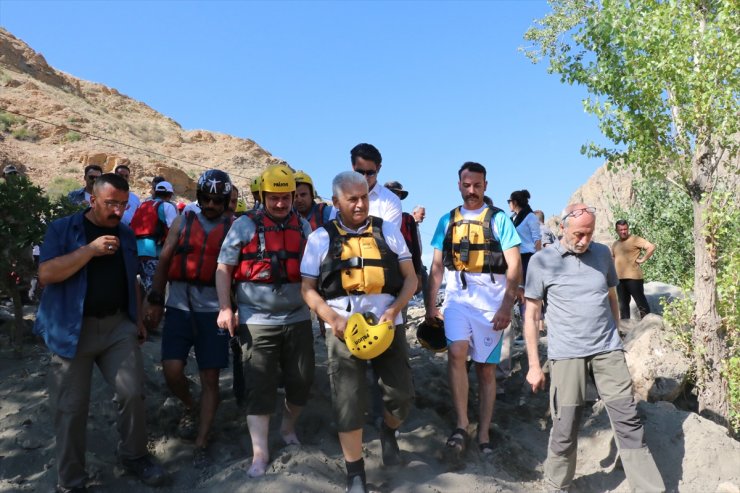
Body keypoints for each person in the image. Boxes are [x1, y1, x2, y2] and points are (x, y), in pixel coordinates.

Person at [34, 173, 167, 492]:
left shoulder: (125, 232)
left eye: (123, 204)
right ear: (91, 200)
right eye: (111, 204)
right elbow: (46, 274)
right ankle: (71, 481)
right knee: (70, 408)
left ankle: (134, 455)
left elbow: (132, 276)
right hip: (71, 329)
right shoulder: (63, 229)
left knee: (133, 392)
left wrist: (135, 318)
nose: (119, 211)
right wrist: (90, 250)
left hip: (116, 326)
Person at [524, 204, 665, 492]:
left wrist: (615, 335)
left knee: (627, 418)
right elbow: (531, 315)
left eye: (589, 233)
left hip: (607, 350)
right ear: (563, 228)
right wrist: (534, 366)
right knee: (565, 423)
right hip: (566, 354)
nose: (584, 240)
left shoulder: (602, 253)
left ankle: (649, 487)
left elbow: (612, 296)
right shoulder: (541, 261)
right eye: (578, 233)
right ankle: (556, 484)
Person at [301, 171, 417, 493]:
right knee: (348, 401)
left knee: (401, 396)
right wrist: (330, 318)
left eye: (364, 196)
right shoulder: (320, 239)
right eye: (352, 198)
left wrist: (394, 310)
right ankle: (355, 473)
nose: (360, 204)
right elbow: (308, 289)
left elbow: (410, 278)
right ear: (336, 201)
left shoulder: (389, 231)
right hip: (342, 331)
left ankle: (389, 431)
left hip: (386, 325)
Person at [215, 164, 314, 478]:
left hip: (298, 317)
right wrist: (225, 308)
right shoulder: (244, 225)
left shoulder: (305, 227)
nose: (281, 204)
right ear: (263, 196)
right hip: (256, 319)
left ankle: (287, 428)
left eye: (285, 197)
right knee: (260, 386)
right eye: (274, 198)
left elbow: (316, 273)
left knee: (301, 379)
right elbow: (223, 268)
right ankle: (260, 453)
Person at [425, 162, 521, 460]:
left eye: (477, 185)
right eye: (466, 185)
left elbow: (515, 265)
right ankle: (462, 424)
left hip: (491, 306)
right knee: (456, 354)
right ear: (459, 185)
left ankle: (484, 432)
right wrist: (430, 304)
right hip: (457, 301)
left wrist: (507, 304)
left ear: (485, 186)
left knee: (486, 369)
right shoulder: (446, 221)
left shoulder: (500, 220)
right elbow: (437, 266)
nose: (471, 191)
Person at [142, 170, 234, 468]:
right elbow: (166, 258)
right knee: (171, 369)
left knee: (210, 377)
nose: (210, 204)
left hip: (212, 313)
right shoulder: (185, 220)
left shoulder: (234, 228)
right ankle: (190, 404)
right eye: (205, 198)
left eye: (216, 200)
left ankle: (202, 440)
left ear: (225, 201)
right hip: (179, 306)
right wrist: (156, 298)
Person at [130, 181, 178, 294]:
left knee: (141, 288)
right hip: (154, 252)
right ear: (170, 195)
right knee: (154, 291)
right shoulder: (167, 206)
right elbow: (175, 230)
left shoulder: (143, 204)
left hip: (136, 249)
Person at [384, 181, 423, 305]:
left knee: (400, 309)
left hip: (403, 270)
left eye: (397, 194)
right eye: (391, 193)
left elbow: (415, 249)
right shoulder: (373, 218)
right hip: (381, 271)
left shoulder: (407, 219)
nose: (395, 197)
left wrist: (417, 273)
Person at [349, 143, 402, 229]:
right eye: (360, 172)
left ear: (378, 169)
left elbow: (389, 238)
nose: (364, 177)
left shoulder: (391, 201)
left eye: (370, 173)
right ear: (353, 168)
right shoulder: (341, 197)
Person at [612, 219, 656, 320]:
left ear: (628, 228)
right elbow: (613, 258)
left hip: (634, 278)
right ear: (616, 231)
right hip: (619, 280)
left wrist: (643, 259)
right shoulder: (615, 244)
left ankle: (648, 327)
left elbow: (651, 247)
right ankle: (625, 331)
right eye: (621, 230)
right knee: (623, 307)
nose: (623, 231)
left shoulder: (635, 239)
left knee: (641, 304)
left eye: (625, 229)